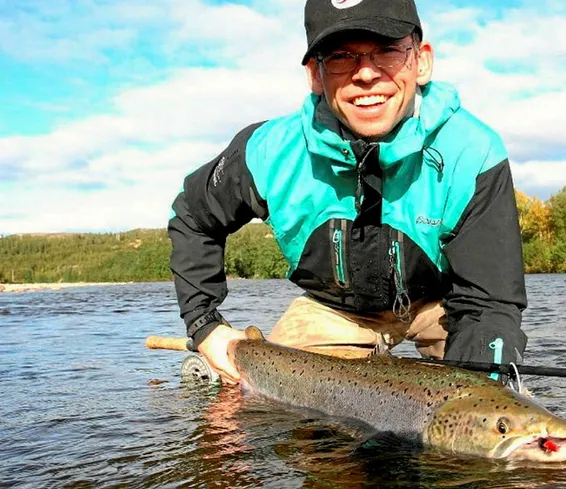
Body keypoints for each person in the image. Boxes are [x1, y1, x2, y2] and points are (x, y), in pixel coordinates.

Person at [167, 0, 527, 386]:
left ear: (421, 61)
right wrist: (205, 326)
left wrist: (480, 392)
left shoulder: (472, 151)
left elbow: (487, 304)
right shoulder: (268, 151)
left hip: (444, 305)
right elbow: (192, 217)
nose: (367, 74)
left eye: (388, 50)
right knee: (295, 417)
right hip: (333, 310)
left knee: (488, 402)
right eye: (341, 56)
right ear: (315, 75)